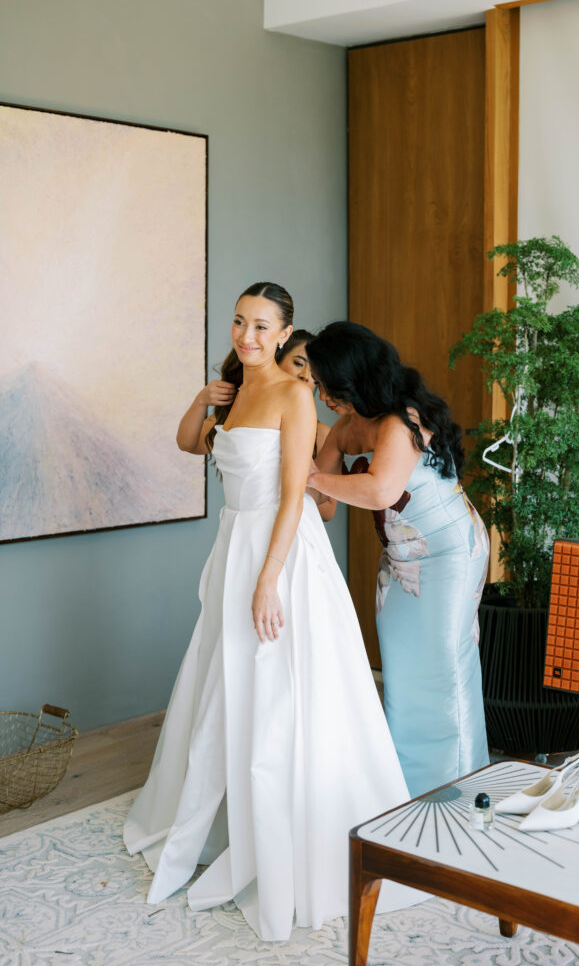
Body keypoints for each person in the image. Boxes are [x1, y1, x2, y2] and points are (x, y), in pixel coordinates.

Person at [123, 284, 416, 941]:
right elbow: (191, 446)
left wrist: (269, 579)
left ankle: (287, 833)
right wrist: (204, 399)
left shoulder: (294, 396)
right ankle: (219, 811)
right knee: (226, 681)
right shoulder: (235, 389)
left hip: (280, 553)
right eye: (238, 321)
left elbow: (294, 497)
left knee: (283, 691)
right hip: (234, 545)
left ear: (284, 333)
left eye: (261, 326)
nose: (246, 335)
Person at [306, 322, 490, 798]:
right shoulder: (346, 428)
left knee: (445, 667)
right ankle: (406, 789)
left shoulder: (399, 421)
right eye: (318, 385)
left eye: (327, 384)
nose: (322, 394)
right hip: (400, 562)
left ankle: (458, 789)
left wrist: (313, 479)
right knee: (404, 671)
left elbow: (379, 489)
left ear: (355, 377)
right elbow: (323, 507)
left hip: (450, 554)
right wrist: (298, 461)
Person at [275, 329, 336, 522]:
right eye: (298, 363)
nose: (305, 376)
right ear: (276, 361)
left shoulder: (322, 434)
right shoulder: (251, 416)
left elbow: (328, 511)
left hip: (301, 534)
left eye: (314, 374)